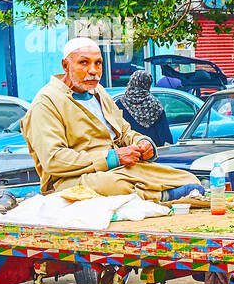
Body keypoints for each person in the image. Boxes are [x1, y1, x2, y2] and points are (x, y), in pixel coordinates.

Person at [21, 38, 204, 204]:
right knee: (116, 185)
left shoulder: (99, 92)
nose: (93, 71)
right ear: (65, 65)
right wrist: (112, 158)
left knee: (188, 179)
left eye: (98, 63)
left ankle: (161, 192)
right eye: (84, 63)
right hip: (72, 179)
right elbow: (54, 160)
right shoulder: (46, 102)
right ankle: (161, 197)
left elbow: (123, 131)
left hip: (119, 169)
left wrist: (142, 142)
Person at [118, 69, 174, 147]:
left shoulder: (120, 104)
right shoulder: (155, 104)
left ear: (131, 83)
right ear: (148, 85)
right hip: (152, 148)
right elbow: (164, 133)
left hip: (130, 149)